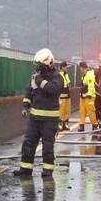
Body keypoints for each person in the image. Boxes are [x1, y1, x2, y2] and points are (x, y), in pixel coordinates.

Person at [14, 48, 63, 178]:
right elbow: (29, 91)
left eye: (40, 65)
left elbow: (53, 90)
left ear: (48, 63)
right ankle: (25, 169)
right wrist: (25, 106)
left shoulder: (57, 77)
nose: (38, 68)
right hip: (34, 119)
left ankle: (47, 171)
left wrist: (40, 81)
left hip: (50, 120)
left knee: (47, 147)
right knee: (28, 144)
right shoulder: (36, 76)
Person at [78, 61, 98, 132]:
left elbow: (91, 86)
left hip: (89, 97)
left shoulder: (89, 75)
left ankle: (94, 125)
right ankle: (81, 125)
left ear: (83, 68)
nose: (80, 70)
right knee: (82, 111)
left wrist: (89, 94)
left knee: (91, 111)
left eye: (80, 68)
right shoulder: (84, 74)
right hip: (83, 96)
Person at [58, 61, 72, 131]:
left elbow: (68, 85)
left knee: (67, 110)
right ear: (62, 67)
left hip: (67, 96)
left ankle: (65, 124)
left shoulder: (66, 74)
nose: (67, 68)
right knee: (61, 110)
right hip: (62, 96)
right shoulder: (59, 75)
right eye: (66, 67)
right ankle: (60, 124)